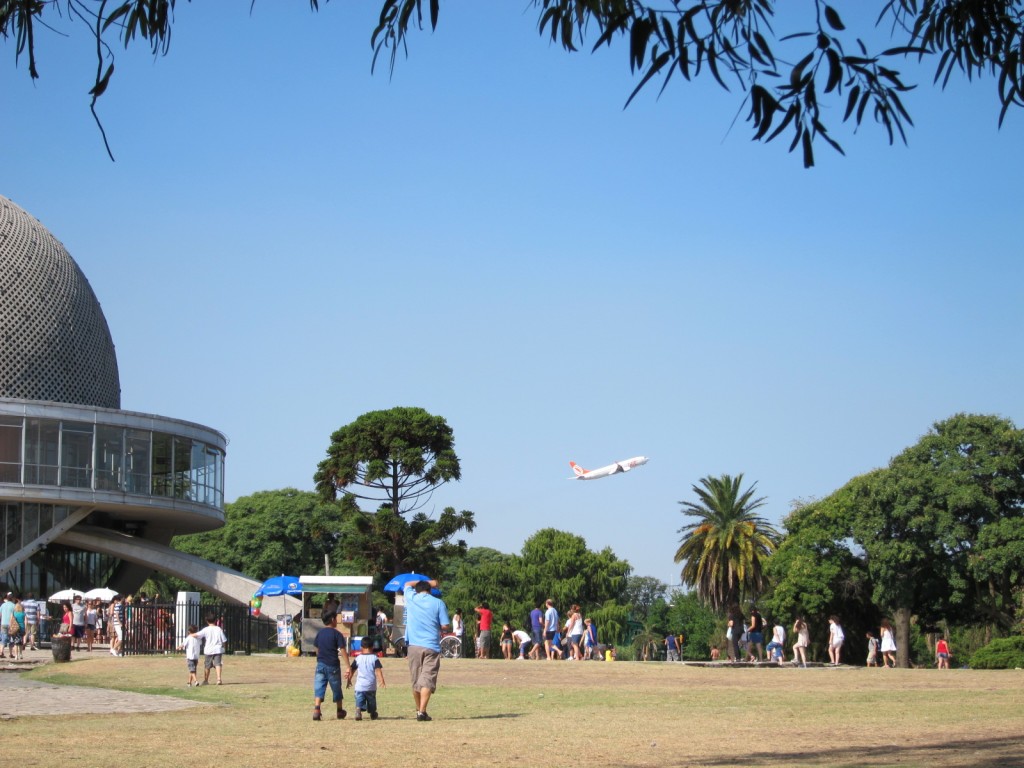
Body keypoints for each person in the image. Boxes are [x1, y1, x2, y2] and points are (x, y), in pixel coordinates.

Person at [403, 577, 450, 722]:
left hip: (413, 646)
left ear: (416, 590)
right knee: (428, 678)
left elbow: (406, 584)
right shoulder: (438, 603)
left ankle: (419, 710)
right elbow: (445, 626)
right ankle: (422, 711)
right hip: (431, 645)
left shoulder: (411, 598)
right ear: (430, 590)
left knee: (416, 679)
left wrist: (429, 582)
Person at [311, 610, 352, 721]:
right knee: (336, 688)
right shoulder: (337, 634)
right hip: (333, 665)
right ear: (333, 620)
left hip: (320, 664)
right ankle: (339, 710)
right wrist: (348, 666)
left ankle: (316, 709)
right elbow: (342, 650)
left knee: (319, 687)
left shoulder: (320, 633)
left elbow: (316, 648)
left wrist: (319, 658)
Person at [350, 636, 386, 720]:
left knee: (359, 700)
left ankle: (358, 711)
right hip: (371, 686)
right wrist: (382, 681)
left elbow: (352, 670)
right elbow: (378, 671)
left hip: (359, 686)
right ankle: (373, 713)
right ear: (372, 647)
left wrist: (349, 680)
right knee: (371, 701)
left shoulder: (358, 658)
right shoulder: (374, 658)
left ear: (361, 647)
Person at [194, 613, 228, 685]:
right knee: (218, 664)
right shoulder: (219, 629)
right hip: (218, 649)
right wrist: (224, 647)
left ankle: (206, 680)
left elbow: (197, 635)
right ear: (215, 620)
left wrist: (191, 634)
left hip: (208, 650)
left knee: (207, 665)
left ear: (207, 621)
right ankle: (219, 679)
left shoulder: (206, 629)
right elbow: (224, 640)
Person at [0, 592, 14, 658]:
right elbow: (14, 615)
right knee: (11, 639)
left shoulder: (2, 605)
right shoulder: (13, 605)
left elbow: (0, 615)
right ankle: (11, 653)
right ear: (12, 599)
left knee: (3, 638)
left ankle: (1, 652)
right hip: (11, 624)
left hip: (3, 623)